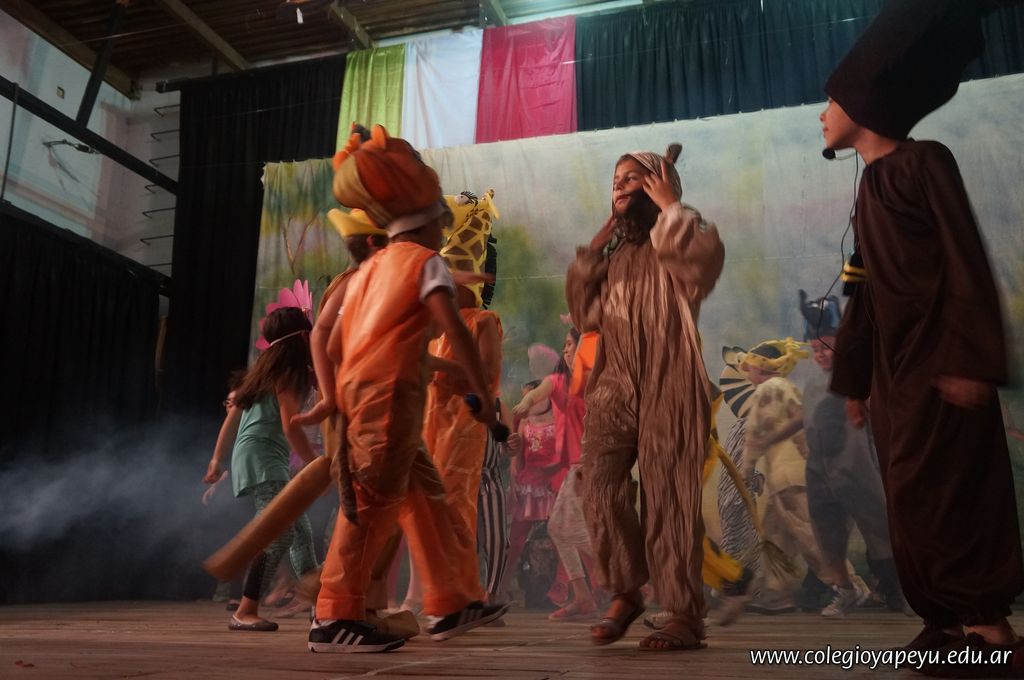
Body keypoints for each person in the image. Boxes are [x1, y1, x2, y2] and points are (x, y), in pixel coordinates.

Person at [823, 0, 1024, 671]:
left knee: (951, 492)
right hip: (898, 381)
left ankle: (988, 630)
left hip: (943, 370)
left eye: (830, 101)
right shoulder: (870, 187)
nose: (822, 115)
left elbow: (965, 261)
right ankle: (945, 621)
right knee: (909, 497)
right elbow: (865, 291)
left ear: (864, 102)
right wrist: (856, 380)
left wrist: (971, 360)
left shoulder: (924, 163)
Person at [306, 124, 507, 653]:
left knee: (428, 499)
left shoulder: (368, 271)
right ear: (431, 223)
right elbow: (455, 328)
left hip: (371, 405)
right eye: (443, 221)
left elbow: (333, 342)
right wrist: (483, 394)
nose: (445, 231)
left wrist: (334, 396)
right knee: (370, 509)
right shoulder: (424, 263)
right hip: (390, 408)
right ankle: (333, 615)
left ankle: (451, 600)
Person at [565, 144, 724, 650]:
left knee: (669, 497)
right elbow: (585, 316)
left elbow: (702, 267)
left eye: (633, 178)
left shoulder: (678, 238)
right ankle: (626, 590)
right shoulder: (616, 256)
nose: (619, 184)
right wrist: (595, 251)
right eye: (616, 178)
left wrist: (672, 206)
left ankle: (682, 613)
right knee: (598, 484)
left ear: (659, 185)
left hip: (669, 382)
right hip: (614, 383)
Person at [203, 306, 321, 632]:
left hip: (255, 455)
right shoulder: (288, 374)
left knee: (300, 533)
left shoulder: (264, 371)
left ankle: (321, 607)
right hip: (263, 457)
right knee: (280, 531)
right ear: (303, 337)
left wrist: (217, 459)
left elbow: (232, 419)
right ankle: (246, 609)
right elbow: (291, 425)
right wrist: (315, 464)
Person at [798, 291, 904, 617]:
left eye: (826, 347)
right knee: (827, 532)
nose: (820, 354)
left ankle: (898, 591)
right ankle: (845, 588)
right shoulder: (813, 386)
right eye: (815, 349)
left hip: (857, 466)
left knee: (879, 530)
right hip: (821, 469)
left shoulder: (861, 377)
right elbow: (806, 420)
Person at [422, 190, 504, 606]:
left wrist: (436, 367)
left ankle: (461, 592)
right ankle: (430, 591)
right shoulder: (438, 324)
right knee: (425, 505)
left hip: (464, 424)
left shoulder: (484, 321)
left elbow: (485, 377)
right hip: (432, 421)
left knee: (455, 502)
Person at [513, 329, 597, 621]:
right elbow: (539, 391)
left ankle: (623, 580)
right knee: (561, 528)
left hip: (595, 465)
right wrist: (526, 403)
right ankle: (586, 594)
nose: (566, 350)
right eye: (565, 345)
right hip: (577, 467)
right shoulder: (560, 382)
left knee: (573, 528)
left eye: (571, 344)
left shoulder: (598, 381)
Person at [504, 380, 560, 599]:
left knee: (560, 536)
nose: (527, 402)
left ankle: (561, 587)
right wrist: (514, 480)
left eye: (532, 397)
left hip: (551, 484)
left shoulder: (558, 419)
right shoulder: (524, 422)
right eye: (525, 397)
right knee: (516, 537)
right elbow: (517, 457)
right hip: (529, 486)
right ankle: (501, 585)